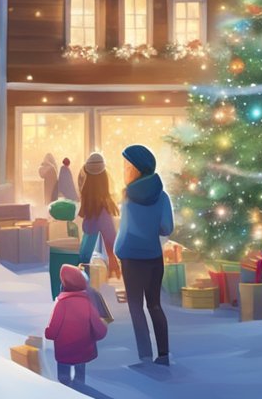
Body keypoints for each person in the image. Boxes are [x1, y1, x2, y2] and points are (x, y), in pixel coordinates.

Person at [114, 144, 173, 366]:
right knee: (155, 305)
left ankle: (145, 356)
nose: (124, 170)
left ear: (138, 169)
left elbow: (125, 231)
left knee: (136, 307)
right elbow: (166, 227)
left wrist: (118, 251)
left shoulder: (128, 198)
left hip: (131, 259)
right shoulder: (163, 196)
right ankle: (164, 354)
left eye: (127, 166)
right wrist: (151, 229)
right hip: (154, 259)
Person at [45, 264, 108, 386]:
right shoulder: (87, 303)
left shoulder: (61, 304)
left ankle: (65, 389)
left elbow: (52, 332)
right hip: (83, 350)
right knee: (80, 379)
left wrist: (48, 333)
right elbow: (99, 328)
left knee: (63, 379)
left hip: (64, 352)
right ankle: (80, 387)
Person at [77, 152, 121, 277]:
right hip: (88, 267)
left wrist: (112, 258)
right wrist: (112, 258)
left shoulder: (94, 206)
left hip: (85, 265)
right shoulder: (101, 207)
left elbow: (107, 235)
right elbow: (110, 235)